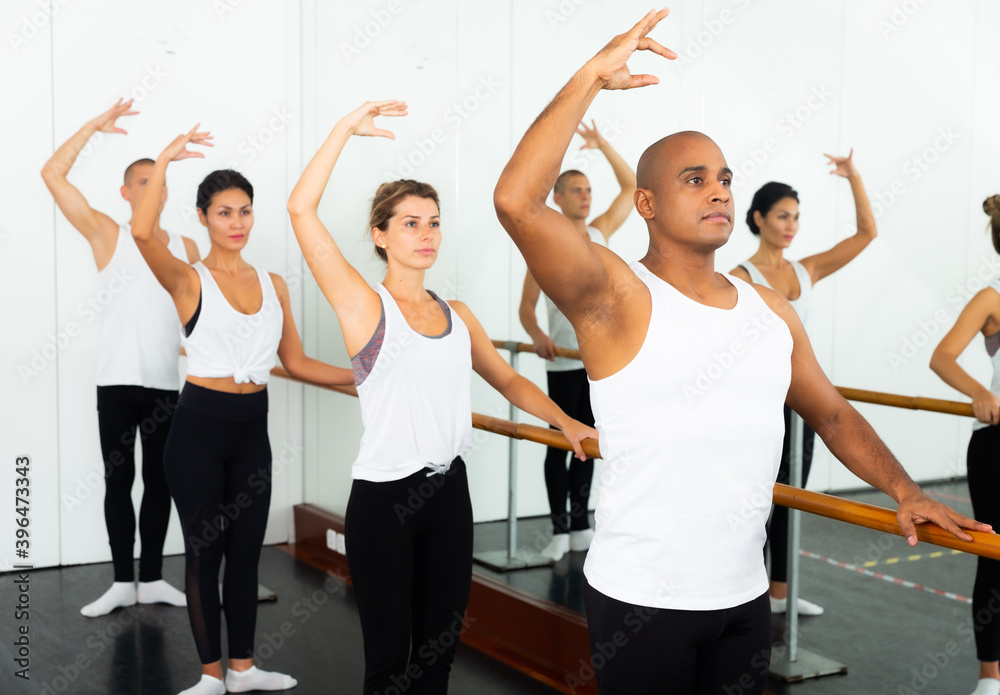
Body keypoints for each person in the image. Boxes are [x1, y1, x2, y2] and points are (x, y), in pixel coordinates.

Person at [493, 10, 991, 692]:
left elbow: (833, 414)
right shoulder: (616, 292)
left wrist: (905, 488)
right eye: (694, 179)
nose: (720, 189)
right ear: (645, 202)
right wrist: (590, 77)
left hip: (741, 599)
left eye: (724, 176)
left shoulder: (770, 309)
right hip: (644, 600)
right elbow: (516, 201)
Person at [286, 100, 598, 695]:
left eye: (433, 222)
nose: (426, 234)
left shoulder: (459, 316)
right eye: (409, 223)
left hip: (448, 495)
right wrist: (343, 130)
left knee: (438, 655)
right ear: (379, 235)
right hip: (383, 502)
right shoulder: (364, 307)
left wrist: (564, 420)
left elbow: (508, 381)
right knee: (388, 664)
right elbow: (301, 210)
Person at [132, 125, 354, 695]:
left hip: (252, 430)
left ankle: (243, 669)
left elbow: (299, 362)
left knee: (247, 555)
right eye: (225, 212)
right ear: (203, 217)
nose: (237, 222)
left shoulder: (274, 283)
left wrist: (364, 378)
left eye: (246, 211)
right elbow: (140, 229)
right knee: (205, 554)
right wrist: (163, 160)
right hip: (198, 430)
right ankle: (209, 675)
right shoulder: (187, 279)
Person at [40, 98, 198, 618]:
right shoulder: (106, 233)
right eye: (143, 181)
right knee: (118, 481)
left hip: (164, 385)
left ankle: (151, 578)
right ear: (128, 193)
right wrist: (93, 126)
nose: (154, 188)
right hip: (116, 384)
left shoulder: (187, 247)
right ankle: (119, 582)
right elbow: (52, 173)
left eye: (161, 180)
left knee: (161, 481)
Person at [730, 156, 878, 616]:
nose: (791, 225)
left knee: (794, 498)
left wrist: (854, 177)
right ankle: (743, 590)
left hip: (805, 404)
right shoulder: (739, 278)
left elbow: (866, 234)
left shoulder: (806, 270)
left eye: (796, 216)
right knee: (756, 500)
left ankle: (779, 593)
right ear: (758, 218)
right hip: (760, 407)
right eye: (782, 216)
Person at [519, 120, 636, 562]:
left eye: (589, 189)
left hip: (602, 362)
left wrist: (603, 143)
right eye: (577, 190)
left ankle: (582, 523)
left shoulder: (603, 231)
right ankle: (559, 529)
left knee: (590, 444)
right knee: (559, 443)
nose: (586, 196)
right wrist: (537, 335)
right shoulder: (545, 244)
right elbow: (526, 308)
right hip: (565, 363)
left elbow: (631, 187)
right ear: (558, 198)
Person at [931, 195, 1000, 695]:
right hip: (996, 444)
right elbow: (943, 357)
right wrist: (980, 392)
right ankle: (990, 677)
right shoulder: (990, 298)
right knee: (993, 555)